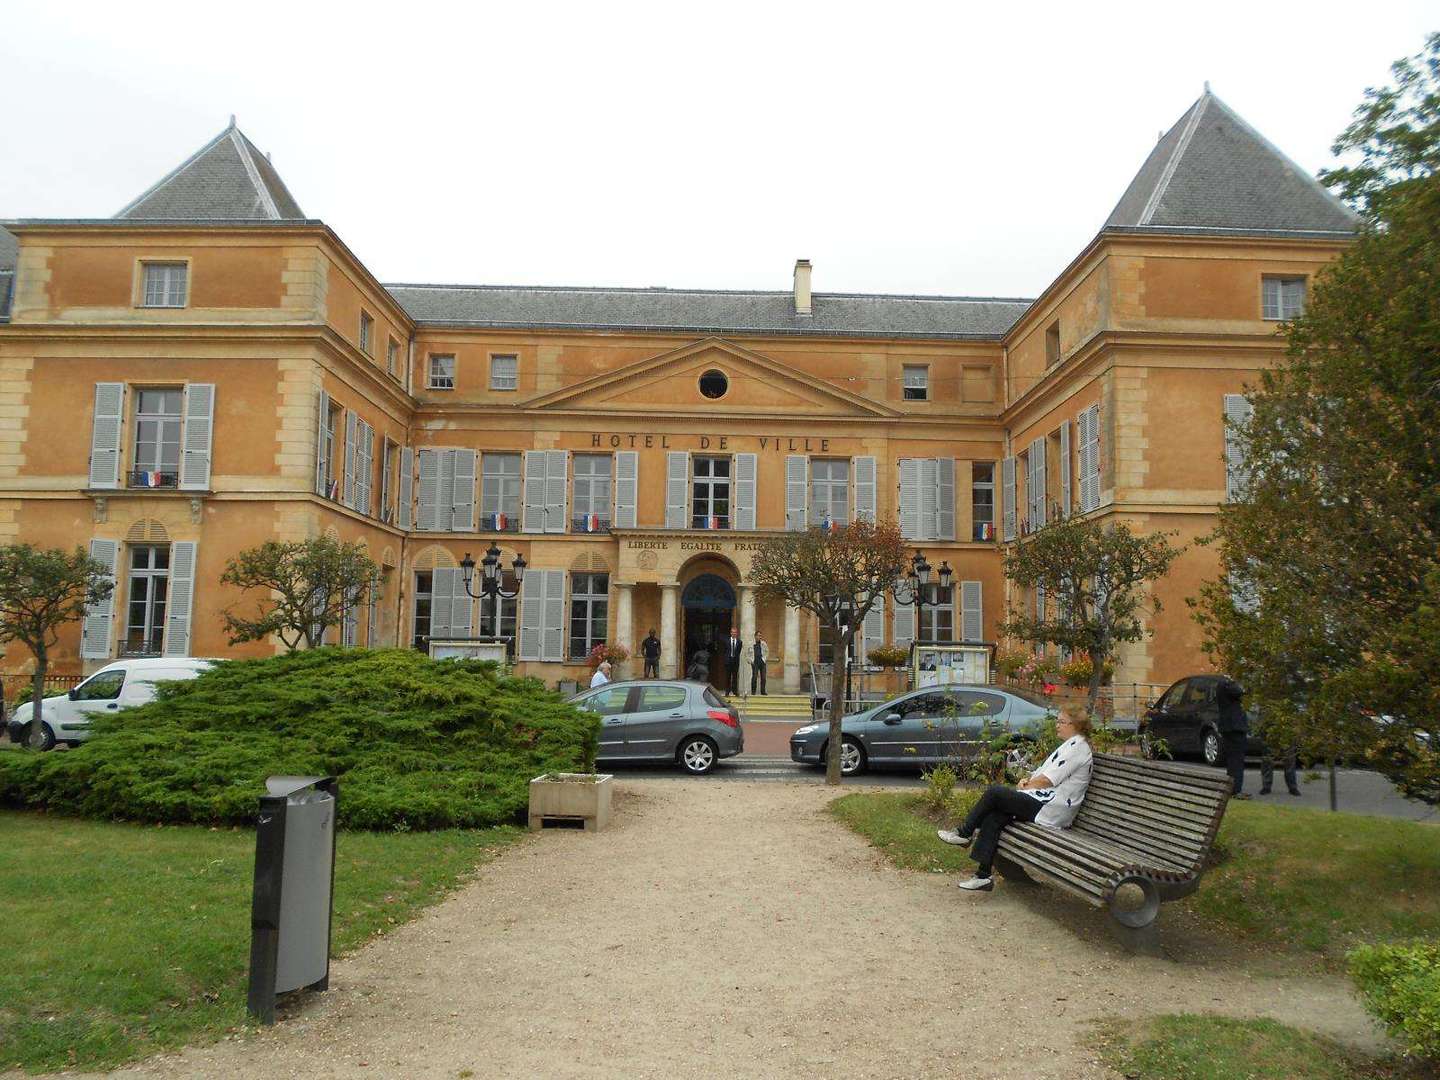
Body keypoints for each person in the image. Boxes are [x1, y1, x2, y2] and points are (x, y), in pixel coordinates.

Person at [937, 705, 1095, 892]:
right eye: (1057, 720)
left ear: (1075, 724)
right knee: (995, 815)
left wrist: (1028, 785)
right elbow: (1043, 775)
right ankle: (983, 876)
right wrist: (1026, 781)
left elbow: (1047, 780)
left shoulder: (1078, 748)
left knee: (995, 793)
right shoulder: (1071, 744)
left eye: (1061, 721)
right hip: (1044, 800)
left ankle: (964, 833)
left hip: (1052, 807)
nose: (1057, 725)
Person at [1215, 676, 1250, 798]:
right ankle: (1236, 790)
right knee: (1237, 760)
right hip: (1235, 727)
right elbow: (1241, 691)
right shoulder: (1227, 685)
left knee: (1232, 761)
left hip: (1228, 727)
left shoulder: (1221, 685)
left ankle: (1231, 788)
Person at [724, 627, 744, 695]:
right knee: (728, 677)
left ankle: (735, 691)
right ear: (731, 633)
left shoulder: (739, 642)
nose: (734, 634)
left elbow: (738, 652)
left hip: (735, 661)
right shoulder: (726, 641)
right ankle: (727, 691)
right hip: (728, 661)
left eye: (735, 632)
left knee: (735, 677)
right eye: (732, 632)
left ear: (736, 633)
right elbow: (725, 651)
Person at [750, 632, 769, 696]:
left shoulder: (763, 644)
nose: (760, 637)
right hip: (755, 662)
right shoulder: (751, 644)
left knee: (763, 677)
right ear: (755, 636)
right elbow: (747, 654)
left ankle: (763, 691)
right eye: (758, 635)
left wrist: (764, 659)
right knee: (754, 677)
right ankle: (753, 692)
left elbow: (767, 652)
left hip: (762, 662)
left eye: (760, 635)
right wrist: (750, 661)